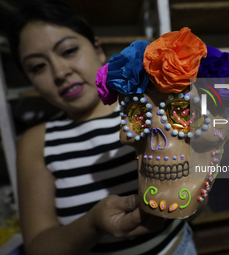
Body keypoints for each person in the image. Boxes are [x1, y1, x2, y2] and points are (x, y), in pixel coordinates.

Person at [7, 0, 196, 254]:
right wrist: (92, 225)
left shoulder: (149, 107)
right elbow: (38, 246)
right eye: (38, 66)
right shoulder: (36, 143)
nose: (60, 72)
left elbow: (198, 197)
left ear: (97, 49)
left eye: (69, 50)